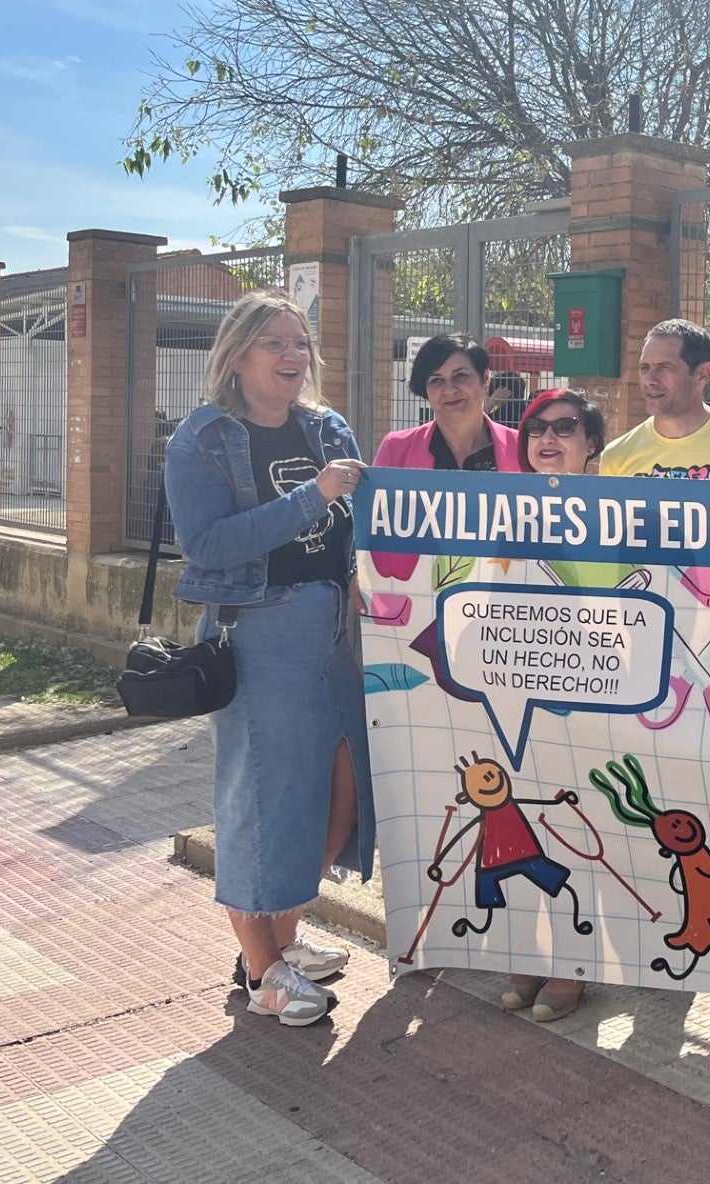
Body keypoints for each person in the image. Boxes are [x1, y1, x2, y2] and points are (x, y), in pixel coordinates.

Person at [163, 291, 373, 1026]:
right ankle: (265, 972)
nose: (292, 357)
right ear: (238, 353)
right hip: (259, 632)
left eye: (300, 343)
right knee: (263, 798)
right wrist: (311, 498)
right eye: (273, 343)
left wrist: (357, 570)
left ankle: (278, 936)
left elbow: (357, 528)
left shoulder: (327, 427)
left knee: (336, 800)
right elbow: (209, 544)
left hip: (336, 630)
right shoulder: (203, 437)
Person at [489, 387, 608, 1024]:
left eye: (566, 427)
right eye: (536, 428)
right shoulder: (497, 509)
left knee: (576, 826)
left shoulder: (618, 511)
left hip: (586, 699)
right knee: (520, 825)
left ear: (592, 445)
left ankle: (574, 963)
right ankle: (528, 951)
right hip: (515, 696)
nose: (548, 439)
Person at [599, 319, 710, 481]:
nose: (650, 379)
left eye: (664, 367)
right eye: (644, 368)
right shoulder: (617, 456)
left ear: (703, 374)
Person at [374, 334, 519, 472]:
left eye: (460, 376)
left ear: (486, 378)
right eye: (436, 380)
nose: (449, 390)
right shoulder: (396, 448)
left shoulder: (523, 449)